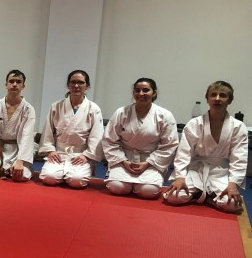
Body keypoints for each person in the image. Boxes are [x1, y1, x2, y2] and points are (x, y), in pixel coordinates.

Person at [164, 80, 247, 213]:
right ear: (207, 99)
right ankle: (202, 193)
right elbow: (183, 154)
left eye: (223, 95)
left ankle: (206, 195)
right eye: (213, 94)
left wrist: (232, 184)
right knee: (173, 197)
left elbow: (239, 159)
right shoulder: (194, 124)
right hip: (196, 169)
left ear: (230, 100)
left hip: (221, 172)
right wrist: (180, 177)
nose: (217, 99)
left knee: (231, 204)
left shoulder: (238, 127)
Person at [102, 77, 177, 199]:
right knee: (117, 187)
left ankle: (138, 185)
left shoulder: (165, 115)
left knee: (148, 191)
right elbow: (109, 140)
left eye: (146, 90)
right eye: (137, 90)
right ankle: (126, 182)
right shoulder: (121, 112)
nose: (141, 94)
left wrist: (148, 163)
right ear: (133, 93)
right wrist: (123, 161)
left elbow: (169, 145)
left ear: (154, 93)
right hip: (124, 158)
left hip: (151, 160)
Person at [38, 69, 104, 188]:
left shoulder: (94, 109)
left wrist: (86, 156)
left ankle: (69, 174)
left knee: (77, 181)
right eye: (73, 82)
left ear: (87, 86)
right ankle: (61, 173)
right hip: (59, 152)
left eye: (81, 82)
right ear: (68, 85)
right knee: (49, 178)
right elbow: (48, 131)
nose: (76, 86)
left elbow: (97, 135)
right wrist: (51, 150)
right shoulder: (56, 106)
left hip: (80, 154)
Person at [0, 69, 36, 181]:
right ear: (6, 85)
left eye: (18, 82)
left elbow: (27, 137)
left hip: (17, 151)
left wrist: (20, 161)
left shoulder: (28, 109)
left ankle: (18, 166)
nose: (14, 84)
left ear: (23, 86)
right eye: (11, 81)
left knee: (21, 175)